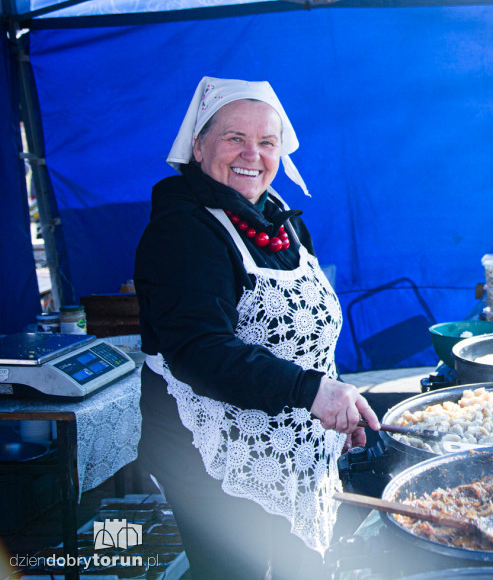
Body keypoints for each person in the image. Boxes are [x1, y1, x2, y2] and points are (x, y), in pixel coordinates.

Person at [136, 77, 381, 580]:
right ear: (198, 147)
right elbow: (200, 350)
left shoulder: (281, 220)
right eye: (235, 138)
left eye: (267, 142)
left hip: (290, 444)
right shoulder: (183, 229)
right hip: (213, 458)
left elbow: (307, 332)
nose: (253, 154)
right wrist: (311, 391)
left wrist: (336, 406)